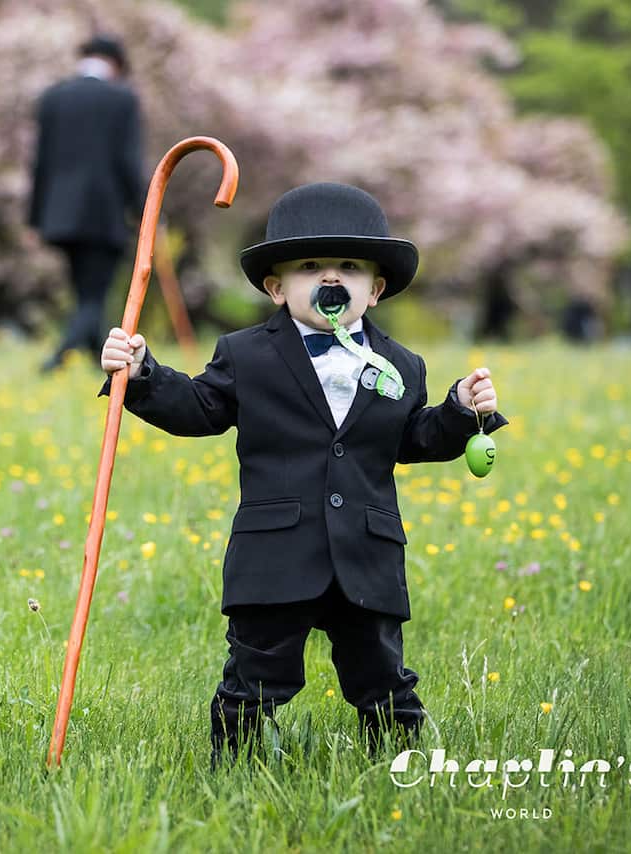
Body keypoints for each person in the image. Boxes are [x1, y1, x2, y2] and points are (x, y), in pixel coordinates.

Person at [97, 183, 507, 764]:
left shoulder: (401, 365)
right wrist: (140, 374)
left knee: (382, 674)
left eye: (349, 267)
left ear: (376, 287)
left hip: (366, 553)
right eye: (310, 266)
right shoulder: (247, 355)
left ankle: (400, 764)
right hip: (276, 552)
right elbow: (199, 409)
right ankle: (235, 765)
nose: (331, 279)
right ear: (276, 287)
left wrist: (461, 411)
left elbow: (414, 437)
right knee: (254, 673)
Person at [29, 34, 146, 373]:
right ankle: (56, 361)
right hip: (102, 213)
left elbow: (40, 163)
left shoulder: (53, 97)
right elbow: (128, 161)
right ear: (117, 65)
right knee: (94, 296)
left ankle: (99, 362)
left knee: (85, 293)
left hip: (59, 214)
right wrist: (145, 212)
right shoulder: (122, 99)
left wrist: (36, 218)